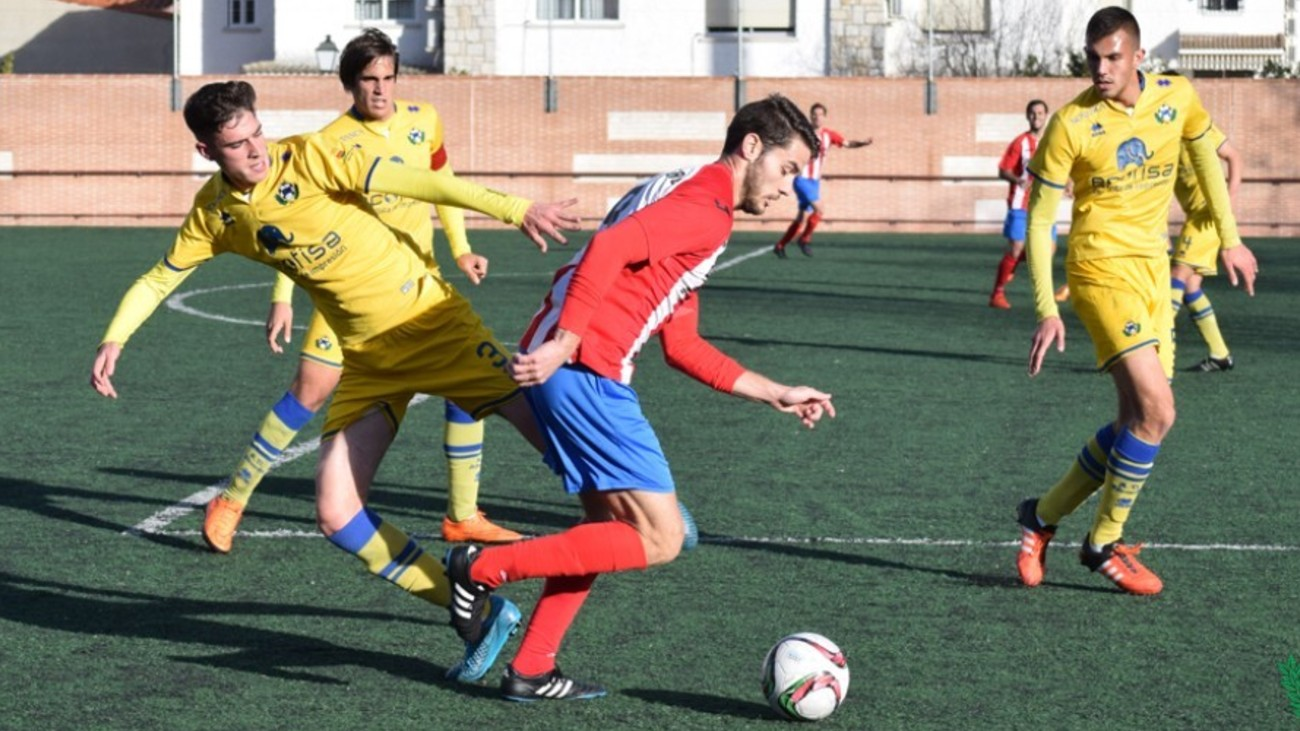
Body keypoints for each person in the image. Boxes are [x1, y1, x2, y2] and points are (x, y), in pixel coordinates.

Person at [90, 80, 580, 680]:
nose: (255, 151)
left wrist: (513, 207)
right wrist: (116, 338)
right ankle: (477, 611)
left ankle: (647, 508)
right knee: (335, 513)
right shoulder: (214, 215)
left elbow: (423, 181)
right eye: (236, 145)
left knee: (561, 449)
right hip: (367, 359)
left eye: (256, 134)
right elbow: (159, 278)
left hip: (433, 328)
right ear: (205, 151)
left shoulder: (312, 155)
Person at [441, 93, 836, 701]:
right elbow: (609, 248)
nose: (788, 189)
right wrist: (568, 341)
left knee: (607, 526)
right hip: (585, 371)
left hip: (570, 365)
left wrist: (774, 392)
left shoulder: (689, 193)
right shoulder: (706, 209)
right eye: (787, 169)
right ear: (751, 146)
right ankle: (480, 568)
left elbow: (682, 345)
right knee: (662, 536)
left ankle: (532, 668)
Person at [204, 29, 523, 556]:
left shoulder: (425, 121)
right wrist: (283, 296)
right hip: (349, 299)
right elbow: (286, 226)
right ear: (349, 84)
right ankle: (233, 499)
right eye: (369, 80)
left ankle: (463, 515)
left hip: (417, 283)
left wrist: (461, 247)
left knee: (468, 385)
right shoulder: (330, 143)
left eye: (388, 78)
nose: (381, 90)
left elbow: (442, 182)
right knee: (309, 392)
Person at [1015, 6, 1257, 596]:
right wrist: (1047, 307)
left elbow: (1206, 161)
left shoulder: (1178, 98)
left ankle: (1040, 517)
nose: (1100, 69)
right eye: (1092, 58)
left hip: (1153, 273)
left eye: (1113, 57)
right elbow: (1042, 216)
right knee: (1159, 411)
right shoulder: (1071, 124)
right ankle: (1103, 543)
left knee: (1135, 419)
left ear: (1139, 57)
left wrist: (1230, 238)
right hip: (1098, 270)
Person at [1170, 122, 1243, 372]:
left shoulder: (1197, 124)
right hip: (1195, 215)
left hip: (1207, 214)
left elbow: (1233, 156)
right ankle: (1220, 354)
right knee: (1191, 287)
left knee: (1177, 276)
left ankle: (1153, 350)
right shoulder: (1157, 129)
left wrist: (1229, 200)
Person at [987, 99, 1069, 309]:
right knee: (1016, 249)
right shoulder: (1019, 143)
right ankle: (997, 294)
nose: (1036, 117)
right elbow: (1003, 170)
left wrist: (1069, 183)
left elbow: (1063, 166)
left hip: (1044, 205)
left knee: (1047, 251)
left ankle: (1017, 266)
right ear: (1027, 116)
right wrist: (1017, 180)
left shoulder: (1053, 141)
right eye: (1032, 113)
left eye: (1040, 113)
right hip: (1019, 204)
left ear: (1046, 115)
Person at [772, 102, 870, 258]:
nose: (817, 117)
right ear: (810, 116)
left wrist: (862, 144)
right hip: (802, 179)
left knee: (802, 217)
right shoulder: (802, 133)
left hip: (814, 182)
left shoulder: (829, 135)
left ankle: (780, 245)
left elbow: (847, 143)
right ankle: (804, 239)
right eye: (814, 114)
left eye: (820, 114)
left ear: (825, 117)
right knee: (820, 209)